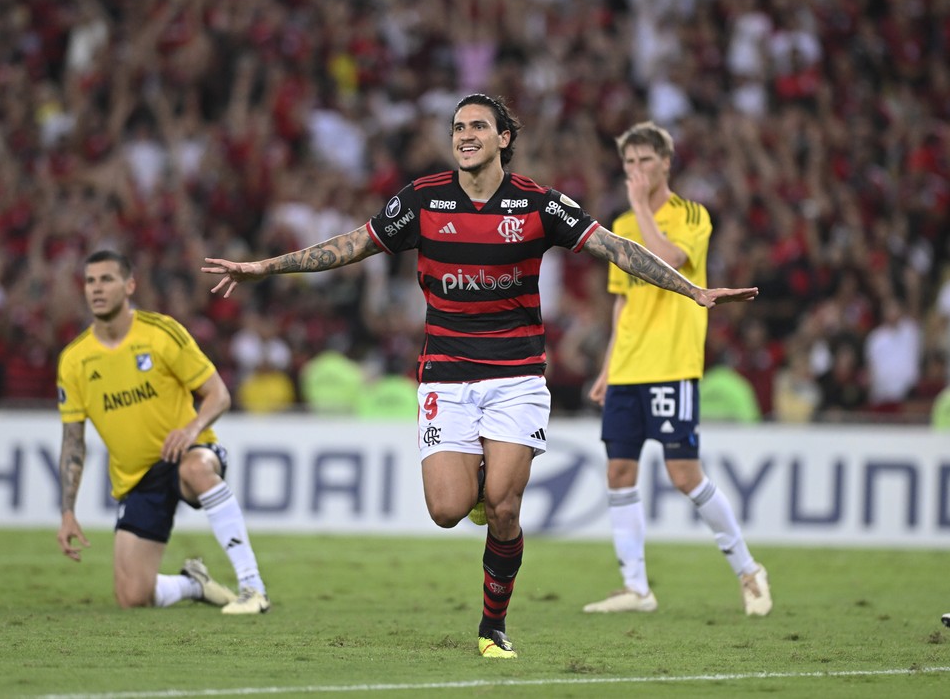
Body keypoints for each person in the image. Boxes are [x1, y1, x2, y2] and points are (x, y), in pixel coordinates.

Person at [203, 95, 758, 657]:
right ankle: (480, 480)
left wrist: (692, 290)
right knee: (448, 510)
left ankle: (492, 627)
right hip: (446, 375)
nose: (464, 135)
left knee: (504, 508)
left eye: (477, 126)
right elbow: (352, 244)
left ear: (503, 138)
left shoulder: (538, 203)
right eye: (457, 127)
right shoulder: (422, 199)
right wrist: (265, 267)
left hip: (516, 377)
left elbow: (615, 247)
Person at [583, 121, 772, 617]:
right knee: (618, 470)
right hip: (628, 367)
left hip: (671, 364)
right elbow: (622, 302)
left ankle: (748, 569)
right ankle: (636, 588)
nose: (637, 170)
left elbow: (668, 258)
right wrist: (607, 366)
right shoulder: (621, 223)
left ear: (666, 163)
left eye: (645, 160)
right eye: (629, 163)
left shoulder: (692, 214)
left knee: (685, 474)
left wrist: (642, 207)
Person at [56, 250, 270, 614]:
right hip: (138, 479)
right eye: (90, 281)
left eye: (106, 279)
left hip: (188, 452)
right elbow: (73, 441)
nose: (97, 288)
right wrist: (67, 512)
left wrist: (191, 429)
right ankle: (193, 584)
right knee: (132, 596)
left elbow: (218, 395)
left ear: (129, 286)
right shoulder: (74, 360)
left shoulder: (161, 333)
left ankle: (253, 587)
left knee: (196, 468)